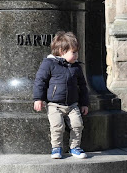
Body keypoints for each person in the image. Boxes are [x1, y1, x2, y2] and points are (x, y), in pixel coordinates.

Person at [33, 31, 89, 159]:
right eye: (73, 52)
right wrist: (38, 99)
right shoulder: (49, 63)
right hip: (54, 104)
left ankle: (75, 147)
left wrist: (84, 103)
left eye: (77, 52)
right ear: (61, 51)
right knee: (57, 126)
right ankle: (56, 148)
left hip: (73, 104)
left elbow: (83, 86)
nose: (76, 55)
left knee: (77, 125)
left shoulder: (76, 67)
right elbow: (40, 81)